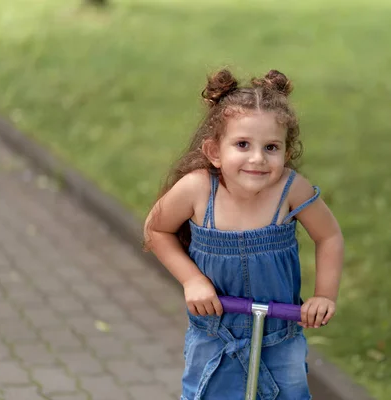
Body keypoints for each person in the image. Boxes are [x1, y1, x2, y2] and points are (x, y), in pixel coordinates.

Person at [143, 68, 344, 400]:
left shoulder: (290, 189)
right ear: (214, 152)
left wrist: (324, 294)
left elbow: (329, 236)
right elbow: (156, 228)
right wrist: (192, 280)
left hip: (280, 339)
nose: (257, 158)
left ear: (286, 153)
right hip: (214, 337)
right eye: (242, 144)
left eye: (271, 147)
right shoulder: (197, 189)